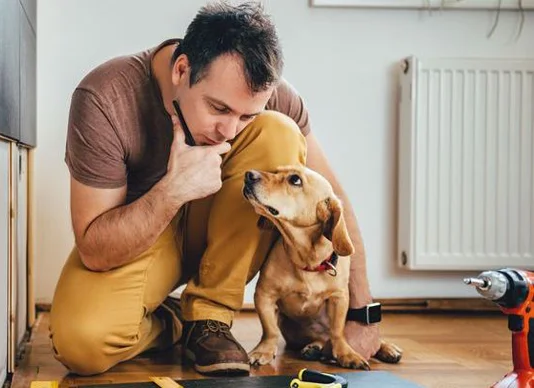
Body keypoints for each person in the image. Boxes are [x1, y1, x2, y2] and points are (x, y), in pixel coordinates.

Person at [49, 1, 381, 377]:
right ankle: (172, 321)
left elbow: (330, 199)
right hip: (145, 231)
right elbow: (95, 249)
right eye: (218, 108)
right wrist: (173, 190)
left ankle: (207, 320)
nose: (230, 131)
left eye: (246, 116)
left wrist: (362, 312)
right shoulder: (106, 96)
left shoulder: (275, 99)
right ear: (181, 69)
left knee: (278, 131)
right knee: (81, 343)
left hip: (232, 231)